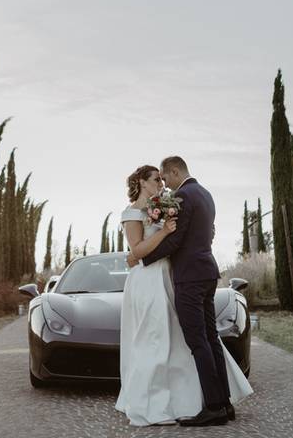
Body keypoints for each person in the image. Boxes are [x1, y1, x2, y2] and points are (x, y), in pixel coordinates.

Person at [114, 157, 252, 427]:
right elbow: (206, 234)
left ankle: (214, 406)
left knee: (198, 340)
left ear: (175, 172)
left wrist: (142, 258)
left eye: (164, 178)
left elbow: (177, 240)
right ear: (142, 182)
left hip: (187, 277)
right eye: (158, 180)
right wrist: (143, 251)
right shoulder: (204, 194)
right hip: (201, 273)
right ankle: (222, 403)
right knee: (207, 339)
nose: (165, 185)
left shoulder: (183, 197)